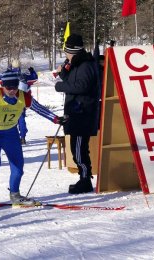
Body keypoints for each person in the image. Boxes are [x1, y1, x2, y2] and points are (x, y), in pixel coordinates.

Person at [0, 69, 63, 217]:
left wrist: (57, 119)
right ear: (3, 86)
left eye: (15, 87)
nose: (12, 90)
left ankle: (15, 195)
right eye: (8, 87)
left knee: (18, 167)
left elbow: (40, 109)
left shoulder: (23, 97)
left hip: (11, 134)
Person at [54, 33, 100, 194]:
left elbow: (82, 86)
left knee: (79, 149)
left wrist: (60, 86)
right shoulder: (77, 64)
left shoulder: (85, 65)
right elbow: (73, 82)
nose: (65, 55)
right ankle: (84, 178)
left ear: (72, 51)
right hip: (76, 113)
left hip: (82, 114)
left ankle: (85, 179)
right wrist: (63, 73)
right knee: (76, 148)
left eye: (66, 52)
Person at [0, 60, 38, 144]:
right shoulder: (23, 76)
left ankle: (10, 137)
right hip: (22, 100)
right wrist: (32, 70)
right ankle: (22, 137)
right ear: (19, 67)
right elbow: (34, 78)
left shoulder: (7, 77)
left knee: (10, 119)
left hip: (9, 100)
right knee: (21, 119)